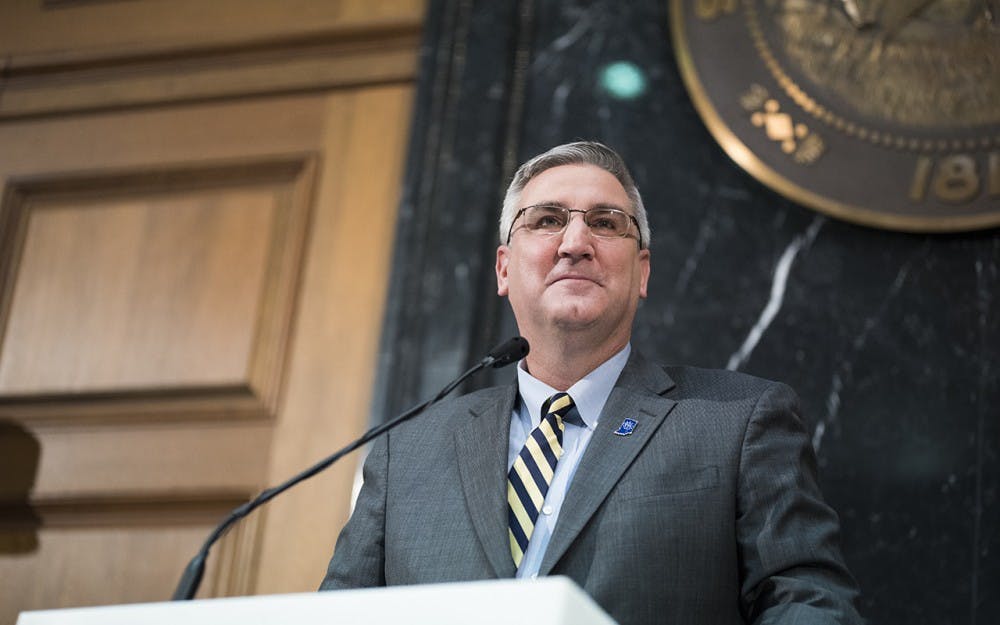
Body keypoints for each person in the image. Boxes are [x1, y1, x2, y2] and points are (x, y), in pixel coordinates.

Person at [320, 141, 863, 624]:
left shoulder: (739, 420)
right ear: (504, 269)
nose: (575, 242)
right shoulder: (405, 450)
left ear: (642, 271)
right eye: (547, 219)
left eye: (605, 223)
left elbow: (809, 605)